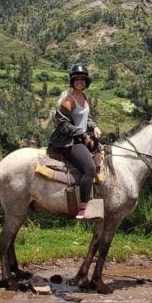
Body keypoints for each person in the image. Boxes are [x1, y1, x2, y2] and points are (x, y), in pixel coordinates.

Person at [49, 63, 103, 219]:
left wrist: (94, 127)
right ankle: (83, 207)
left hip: (81, 137)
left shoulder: (84, 97)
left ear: (86, 82)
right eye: (76, 79)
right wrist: (82, 134)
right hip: (68, 141)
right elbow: (62, 124)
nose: (79, 82)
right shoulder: (69, 100)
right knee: (90, 169)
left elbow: (88, 118)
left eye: (82, 79)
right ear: (72, 81)